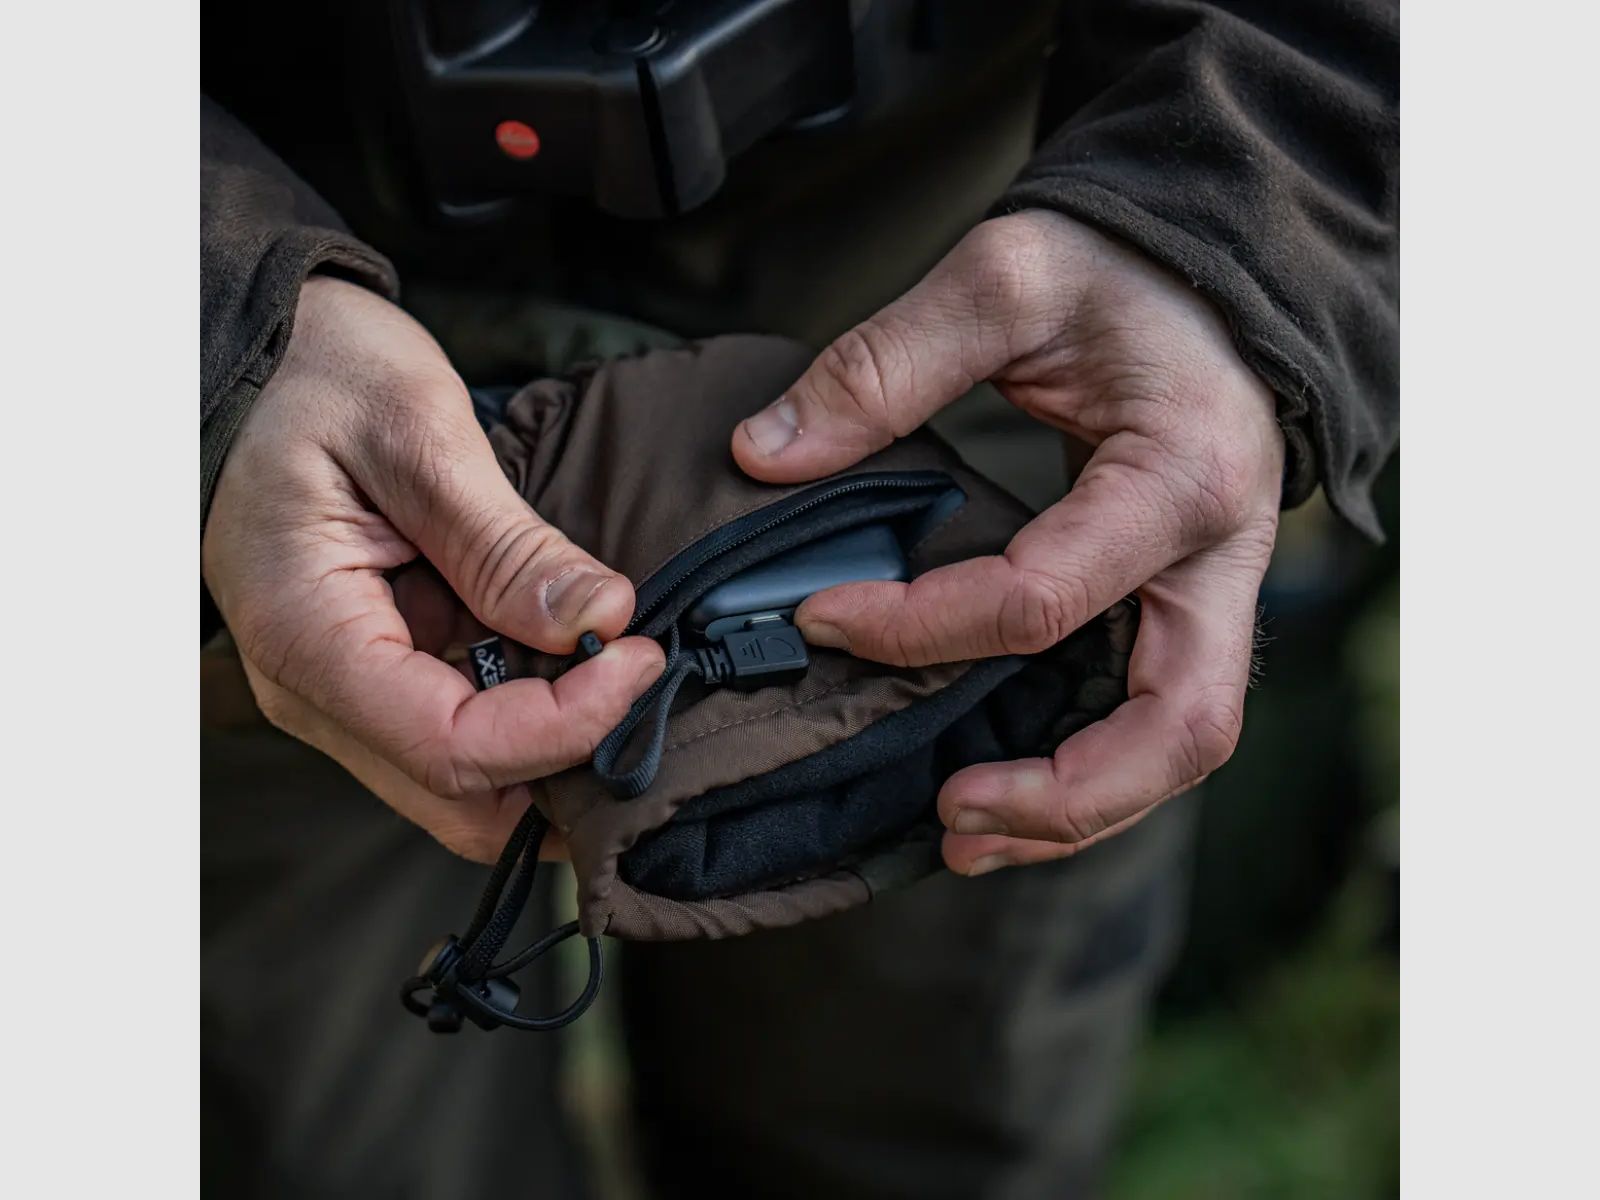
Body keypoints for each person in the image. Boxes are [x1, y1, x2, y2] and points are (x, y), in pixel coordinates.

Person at [200, 2, 1397, 1196]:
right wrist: (212, 326)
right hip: (248, 421)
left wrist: (1226, 217)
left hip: (992, 317)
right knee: (325, 1141)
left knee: (923, 1110)